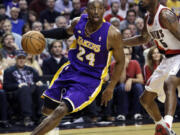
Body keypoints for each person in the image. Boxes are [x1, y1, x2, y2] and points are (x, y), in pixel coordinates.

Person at [30, 0, 125, 134]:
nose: (96, 12)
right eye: (92, 8)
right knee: (47, 110)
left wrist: (111, 87)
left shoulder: (113, 34)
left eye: (99, 8)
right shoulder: (78, 22)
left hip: (90, 78)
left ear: (104, 10)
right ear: (86, 10)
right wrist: (41, 34)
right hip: (71, 70)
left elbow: (121, 61)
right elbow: (64, 32)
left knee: (62, 109)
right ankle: (52, 131)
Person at [123, 0, 180, 134]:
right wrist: (120, 42)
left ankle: (167, 123)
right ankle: (163, 128)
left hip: (178, 55)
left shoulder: (165, 15)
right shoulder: (148, 17)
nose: (141, 1)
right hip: (166, 59)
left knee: (169, 83)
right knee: (145, 99)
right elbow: (143, 39)